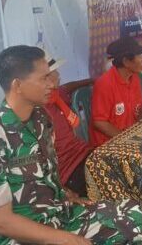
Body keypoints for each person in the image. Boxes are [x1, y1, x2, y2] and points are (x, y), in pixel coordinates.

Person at [0, 46, 142, 244]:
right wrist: (66, 239)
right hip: (24, 235)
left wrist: (66, 194)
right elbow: (1, 222)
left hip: (59, 215)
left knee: (137, 216)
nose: (52, 83)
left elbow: (47, 173)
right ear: (18, 85)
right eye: (44, 78)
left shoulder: (41, 118)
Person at [43, 55, 93, 197]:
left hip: (83, 153)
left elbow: (68, 87)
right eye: (54, 73)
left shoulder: (56, 95)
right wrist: (64, 191)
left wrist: (91, 80)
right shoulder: (39, 114)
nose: (59, 76)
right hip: (69, 170)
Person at [89, 37, 142, 148]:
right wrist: (127, 139)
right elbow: (99, 122)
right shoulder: (104, 84)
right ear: (126, 62)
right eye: (139, 56)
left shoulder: (135, 78)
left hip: (129, 135)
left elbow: (138, 110)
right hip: (108, 144)